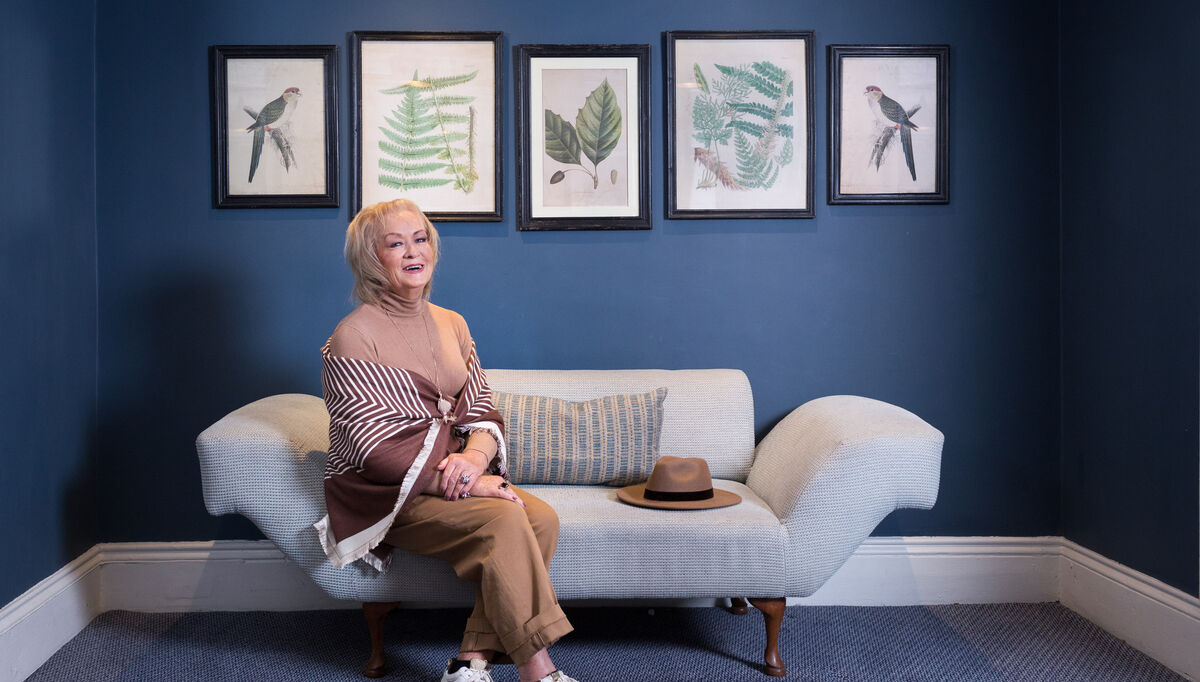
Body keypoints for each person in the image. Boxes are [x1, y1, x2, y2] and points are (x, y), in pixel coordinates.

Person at [314, 199, 578, 682]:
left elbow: (480, 409)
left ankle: (469, 661)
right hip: (389, 495)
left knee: (540, 518)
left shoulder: (452, 322)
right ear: (372, 258)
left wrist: (475, 458)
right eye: (395, 244)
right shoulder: (353, 336)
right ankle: (538, 670)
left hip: (451, 473)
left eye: (420, 239)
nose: (413, 251)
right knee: (505, 518)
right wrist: (472, 483)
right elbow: (374, 451)